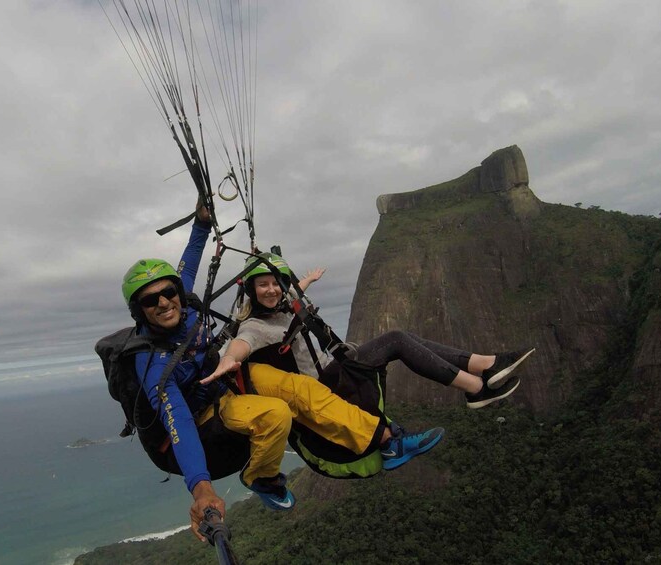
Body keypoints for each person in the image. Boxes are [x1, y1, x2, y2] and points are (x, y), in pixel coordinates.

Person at [119, 203, 443, 541]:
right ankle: (262, 477)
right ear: (139, 311)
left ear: (177, 292)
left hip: (223, 381)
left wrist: (201, 224)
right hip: (203, 414)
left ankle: (387, 441)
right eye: (150, 300)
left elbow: (190, 259)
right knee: (276, 414)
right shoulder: (153, 366)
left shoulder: (181, 302)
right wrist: (201, 489)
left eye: (168, 292)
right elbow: (180, 425)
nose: (163, 302)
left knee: (301, 388)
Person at [205, 253, 533, 410]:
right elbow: (242, 343)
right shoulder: (257, 325)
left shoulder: (282, 302)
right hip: (328, 381)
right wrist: (228, 360)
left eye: (276, 283)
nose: (272, 290)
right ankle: (476, 387)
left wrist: (307, 281)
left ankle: (485, 364)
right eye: (263, 285)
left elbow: (290, 291)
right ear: (251, 290)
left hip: (336, 365)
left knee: (406, 338)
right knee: (397, 341)